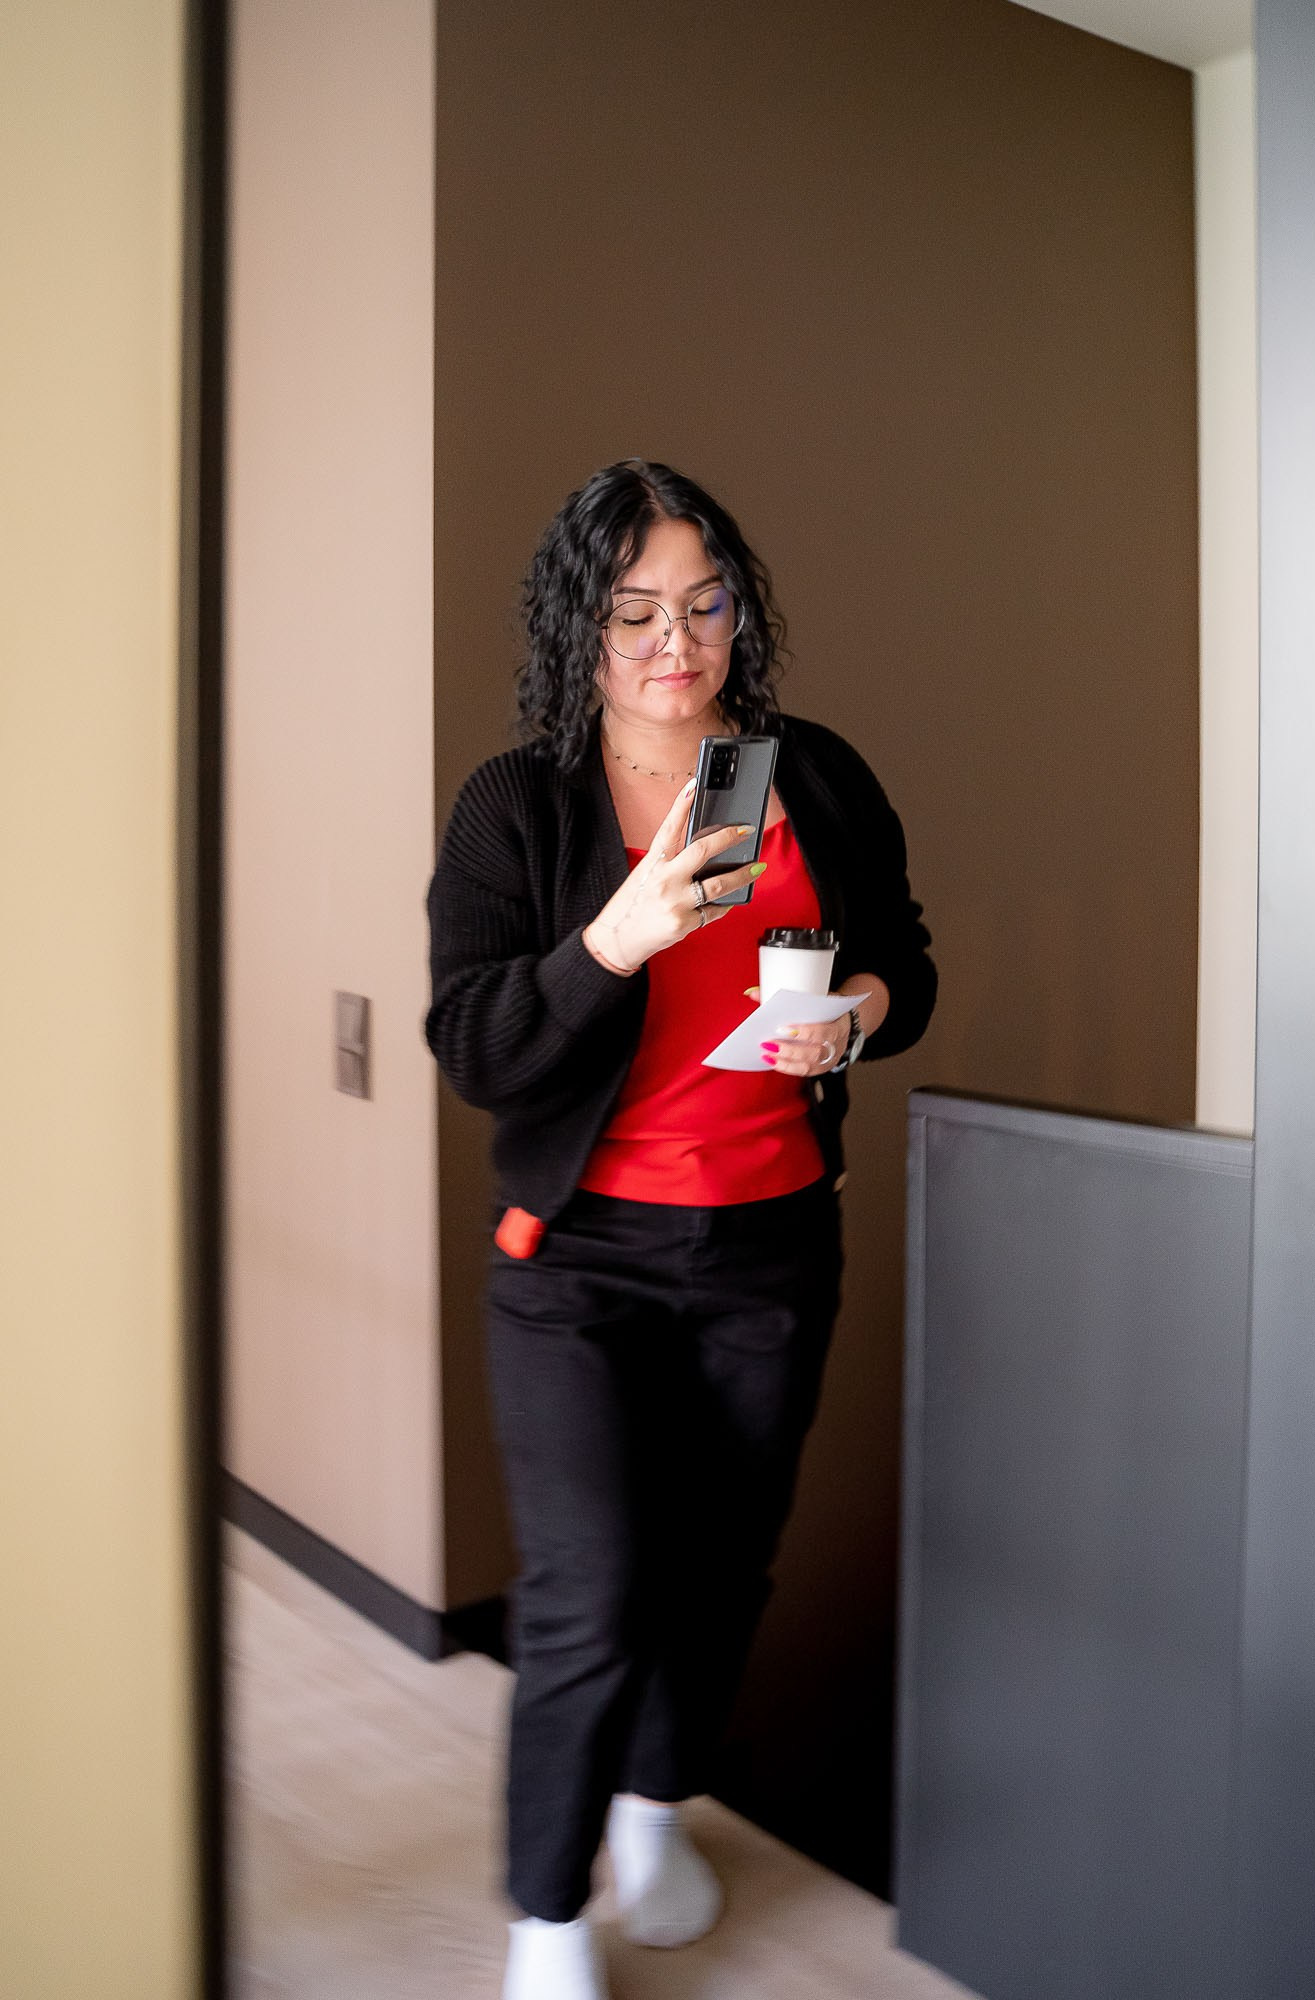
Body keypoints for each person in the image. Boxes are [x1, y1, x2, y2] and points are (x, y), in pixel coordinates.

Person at [425, 459, 937, 2000]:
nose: (675, 642)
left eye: (704, 606)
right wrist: (612, 940)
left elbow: (904, 961)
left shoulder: (809, 775)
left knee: (719, 1569)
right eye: (635, 611)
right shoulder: (520, 802)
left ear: (739, 613)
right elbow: (475, 1048)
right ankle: (545, 1915)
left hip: (769, 1247)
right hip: (575, 1264)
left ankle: (655, 1813)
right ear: (578, 625)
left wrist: (855, 1017)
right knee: (588, 1592)